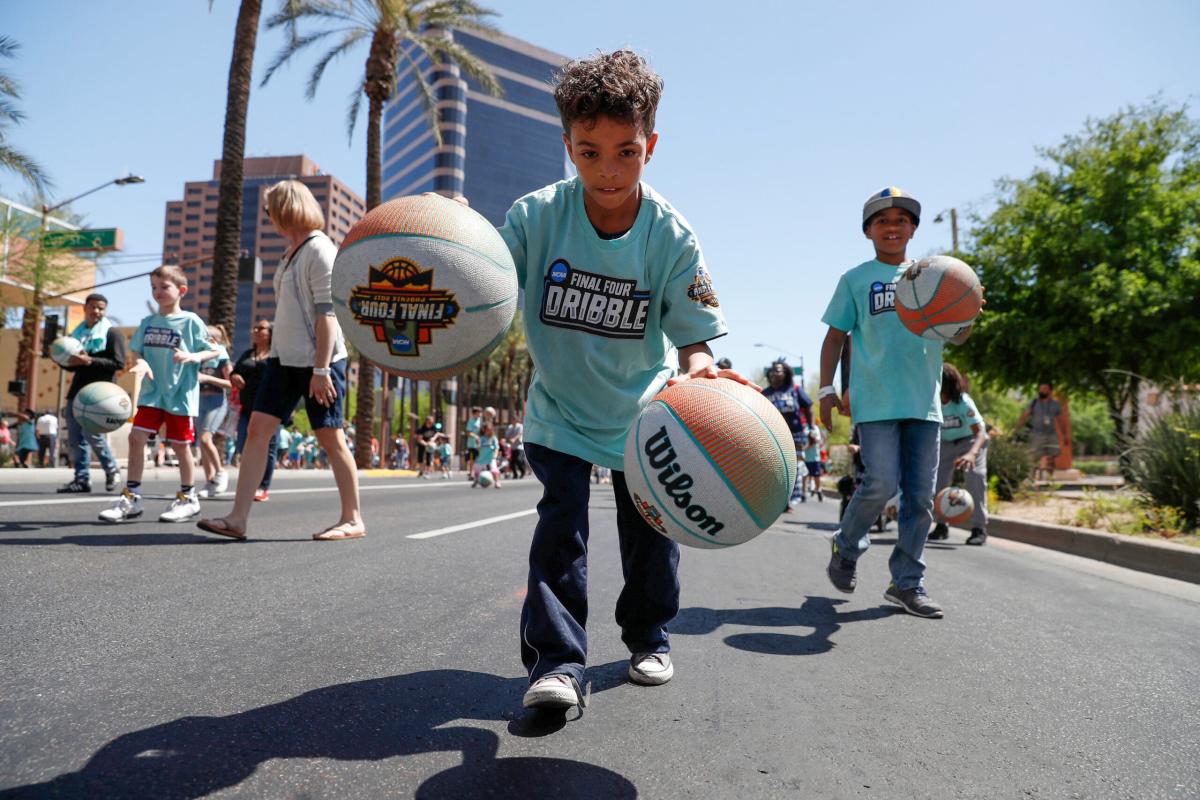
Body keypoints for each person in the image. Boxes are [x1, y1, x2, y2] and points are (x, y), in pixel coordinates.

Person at [496, 50, 733, 710]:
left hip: (643, 412)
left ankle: (649, 636)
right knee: (560, 531)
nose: (608, 169)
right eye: (589, 152)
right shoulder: (534, 218)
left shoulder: (670, 235)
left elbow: (693, 336)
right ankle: (557, 663)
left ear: (650, 146)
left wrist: (701, 369)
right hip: (559, 409)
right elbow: (481, 281)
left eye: (626, 152)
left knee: (651, 537)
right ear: (567, 146)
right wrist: (449, 236)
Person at [818, 187, 976, 619]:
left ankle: (906, 583)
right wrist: (826, 389)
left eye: (901, 220)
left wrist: (967, 313)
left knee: (920, 499)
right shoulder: (855, 279)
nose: (892, 227)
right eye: (882, 221)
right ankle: (846, 545)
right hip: (875, 402)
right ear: (868, 230)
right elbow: (835, 337)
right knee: (881, 483)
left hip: (924, 404)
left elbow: (959, 333)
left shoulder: (937, 277)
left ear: (913, 229)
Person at [197, 179, 364, 541]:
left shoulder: (320, 250)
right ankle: (238, 518)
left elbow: (327, 314)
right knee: (257, 430)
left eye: (270, 209)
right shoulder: (291, 253)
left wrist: (321, 369)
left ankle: (352, 519)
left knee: (330, 437)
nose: (268, 215)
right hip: (283, 360)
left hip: (318, 362)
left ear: (286, 208)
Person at [100, 266, 221, 523]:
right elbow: (137, 350)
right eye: (154, 287)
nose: (158, 292)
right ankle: (132, 497)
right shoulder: (148, 322)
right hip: (152, 393)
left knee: (180, 445)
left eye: (164, 287)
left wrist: (193, 356)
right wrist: (141, 362)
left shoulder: (190, 321)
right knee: (136, 437)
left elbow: (215, 350)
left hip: (180, 394)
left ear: (181, 290)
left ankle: (188, 498)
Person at [57, 293, 126, 493]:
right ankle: (81, 479)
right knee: (75, 438)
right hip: (78, 391)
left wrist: (90, 361)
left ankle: (111, 470)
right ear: (85, 308)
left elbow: (118, 363)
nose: (96, 311)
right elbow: (73, 366)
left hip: (101, 394)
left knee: (92, 434)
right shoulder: (77, 335)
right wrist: (62, 359)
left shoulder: (112, 333)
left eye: (101, 308)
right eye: (93, 307)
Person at [931, 363, 989, 545]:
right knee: (938, 481)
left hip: (970, 441)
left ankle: (979, 528)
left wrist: (972, 454)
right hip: (945, 443)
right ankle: (941, 525)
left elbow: (981, 433)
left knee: (975, 477)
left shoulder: (962, 402)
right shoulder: (931, 402)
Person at [231, 319, 279, 501]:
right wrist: (235, 376)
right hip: (247, 407)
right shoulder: (247, 354)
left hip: (270, 408)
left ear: (271, 333)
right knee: (243, 445)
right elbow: (235, 371)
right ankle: (251, 483)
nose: (256, 330)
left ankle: (262, 486)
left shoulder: (276, 354)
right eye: (255, 328)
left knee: (268, 448)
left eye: (261, 328)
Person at [761, 360, 813, 509]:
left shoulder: (794, 390)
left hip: (795, 435)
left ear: (785, 374)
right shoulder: (765, 394)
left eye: (778, 370)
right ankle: (776, 498)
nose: (775, 373)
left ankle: (790, 500)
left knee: (794, 467)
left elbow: (808, 407)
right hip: (773, 437)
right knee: (775, 467)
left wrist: (811, 429)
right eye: (772, 371)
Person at [196, 324, 233, 498]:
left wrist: (207, 378)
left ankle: (220, 472)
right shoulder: (199, 355)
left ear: (215, 340)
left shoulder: (221, 355)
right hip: (199, 400)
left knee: (206, 438)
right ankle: (209, 481)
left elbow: (231, 383)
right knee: (202, 443)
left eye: (205, 338)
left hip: (216, 401)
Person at [1015, 381, 1069, 483]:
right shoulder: (1034, 403)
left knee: (1052, 456)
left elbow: (1060, 420)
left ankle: (1050, 478)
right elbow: (1025, 415)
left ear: (1050, 391)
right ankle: (1031, 478)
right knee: (1034, 456)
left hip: (1051, 434)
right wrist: (1017, 428)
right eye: (1040, 389)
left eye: (1044, 389)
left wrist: (1065, 434)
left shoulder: (1055, 404)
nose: (1042, 391)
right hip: (1036, 434)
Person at [471, 421, 501, 488]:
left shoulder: (493, 438)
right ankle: (476, 481)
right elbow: (478, 449)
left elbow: (496, 448)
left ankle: (497, 482)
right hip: (481, 458)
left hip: (490, 458)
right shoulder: (481, 438)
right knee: (477, 470)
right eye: (486, 430)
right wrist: (478, 444)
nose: (488, 431)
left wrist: (495, 456)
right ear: (483, 430)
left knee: (494, 470)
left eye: (489, 430)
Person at [802, 423, 824, 501]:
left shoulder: (815, 428)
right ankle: (804, 493)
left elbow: (816, 440)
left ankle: (818, 489)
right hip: (805, 458)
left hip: (815, 458)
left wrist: (806, 447)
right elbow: (803, 439)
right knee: (804, 476)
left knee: (816, 476)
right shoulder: (805, 428)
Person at [464, 406, 482, 474]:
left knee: (480, 458)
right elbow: (468, 433)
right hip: (472, 444)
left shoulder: (480, 420)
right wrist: (476, 437)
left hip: (480, 444)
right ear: (475, 413)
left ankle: (478, 472)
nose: (480, 414)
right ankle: (471, 472)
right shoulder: (471, 421)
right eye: (479, 412)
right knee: (472, 459)